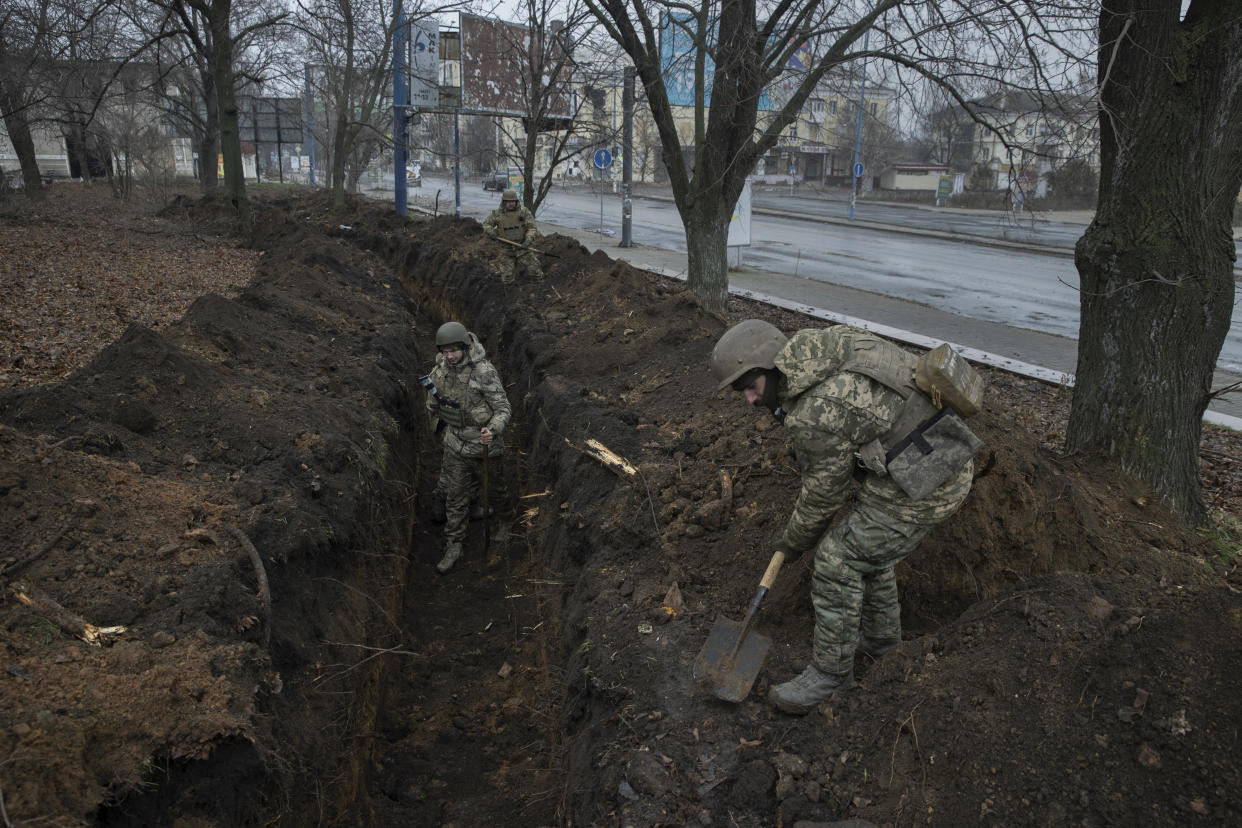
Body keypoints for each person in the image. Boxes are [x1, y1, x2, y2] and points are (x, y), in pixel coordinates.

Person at [710, 320, 976, 714]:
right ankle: (883, 646)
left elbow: (823, 495)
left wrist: (792, 543)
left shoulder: (815, 412)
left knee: (837, 559)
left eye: (750, 387)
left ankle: (830, 675)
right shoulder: (821, 346)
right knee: (866, 547)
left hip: (931, 477)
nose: (748, 400)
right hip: (932, 450)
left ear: (770, 367)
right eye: (741, 391)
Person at [424, 321, 512, 573]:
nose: (449, 356)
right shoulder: (440, 371)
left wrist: (492, 429)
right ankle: (454, 543)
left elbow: (504, 408)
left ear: (463, 347)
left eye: (453, 350)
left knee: (495, 489)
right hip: (454, 445)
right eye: (445, 351)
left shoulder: (483, 372)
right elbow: (432, 402)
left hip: (484, 447)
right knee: (455, 496)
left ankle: (506, 520)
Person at [482, 189, 543, 283]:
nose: (511, 204)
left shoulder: (524, 212)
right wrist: (491, 231)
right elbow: (486, 224)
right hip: (506, 249)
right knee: (507, 277)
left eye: (512, 201)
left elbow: (532, 228)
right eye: (508, 202)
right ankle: (510, 292)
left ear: (516, 201)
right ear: (504, 202)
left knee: (535, 270)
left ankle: (537, 288)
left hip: (522, 246)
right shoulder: (497, 214)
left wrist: (528, 239)